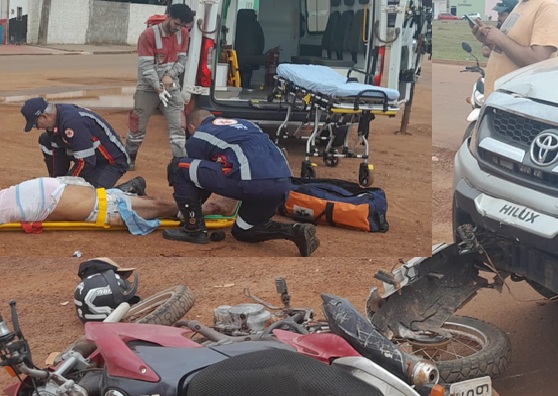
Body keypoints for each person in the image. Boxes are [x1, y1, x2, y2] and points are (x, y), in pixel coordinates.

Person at [166, 109, 319, 256]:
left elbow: (199, 183)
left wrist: (187, 210)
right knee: (243, 230)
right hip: (283, 183)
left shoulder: (198, 136)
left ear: (192, 127)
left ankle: (193, 229)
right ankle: (295, 231)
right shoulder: (247, 124)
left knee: (179, 167)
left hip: (251, 182)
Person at [0, 175, 234, 235]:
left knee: (154, 204)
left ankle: (203, 208)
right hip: (100, 204)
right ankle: (208, 209)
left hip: (92, 196)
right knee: (160, 206)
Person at [124, 2, 195, 169]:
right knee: (137, 128)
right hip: (148, 88)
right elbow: (146, 67)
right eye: (176, 24)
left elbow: (182, 61)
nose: (178, 28)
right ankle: (129, 157)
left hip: (171, 86)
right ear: (168, 17)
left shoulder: (183, 33)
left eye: (182, 25)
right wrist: (158, 86)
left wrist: (170, 75)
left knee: (178, 127)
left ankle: (179, 164)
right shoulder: (148, 35)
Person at [22, 97, 130, 189]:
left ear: (44, 116)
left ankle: (131, 188)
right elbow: (59, 155)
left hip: (110, 162)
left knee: (87, 197)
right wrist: (56, 184)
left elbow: (86, 161)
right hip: (92, 158)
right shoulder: (54, 121)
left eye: (35, 124)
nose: (36, 128)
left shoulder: (72, 123)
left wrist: (68, 182)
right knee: (45, 140)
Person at [470, 0, 558, 96]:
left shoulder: (548, 7)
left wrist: (499, 38)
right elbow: (507, 49)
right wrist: (489, 40)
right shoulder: (521, 5)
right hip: (499, 97)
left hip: (518, 99)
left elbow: (537, 59)